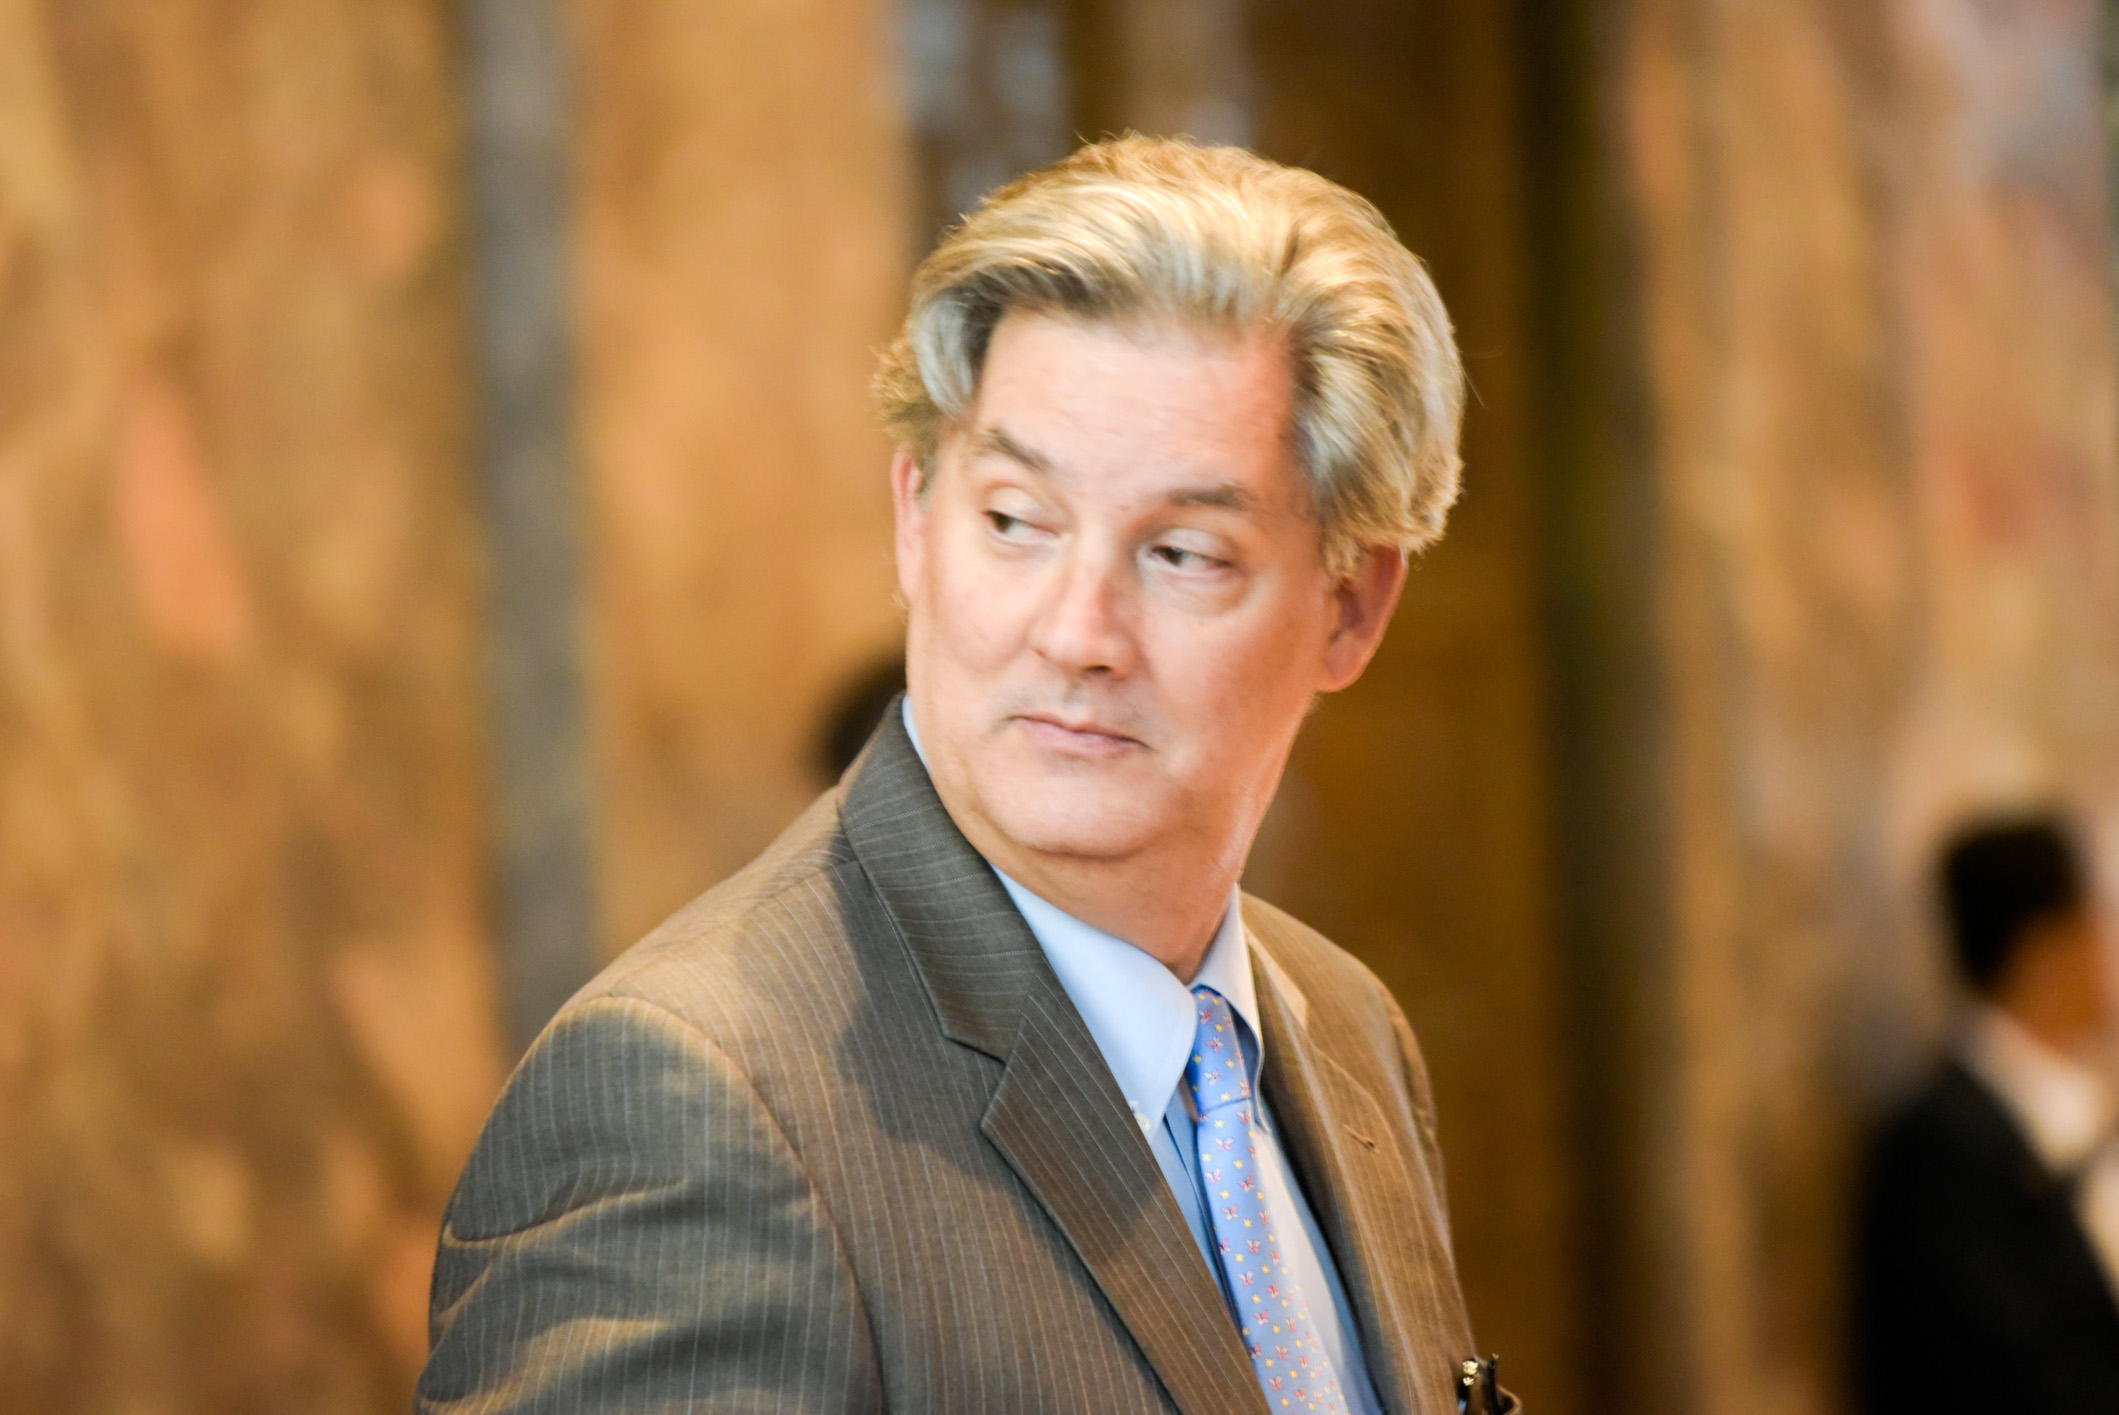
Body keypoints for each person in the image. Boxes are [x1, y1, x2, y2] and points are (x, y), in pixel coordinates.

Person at [421, 136, 1514, 1415]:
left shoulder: (1346, 1028)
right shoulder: (698, 1097)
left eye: (1182, 552)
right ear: (913, 519)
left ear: (1351, 606)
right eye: (1013, 520)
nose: (1076, 632)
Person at [1854, 815, 2119, 1412]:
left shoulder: (2073, 1114)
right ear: (2046, 949)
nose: (2110, 949)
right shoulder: (1939, 1148)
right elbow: (2016, 1377)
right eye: (2098, 923)